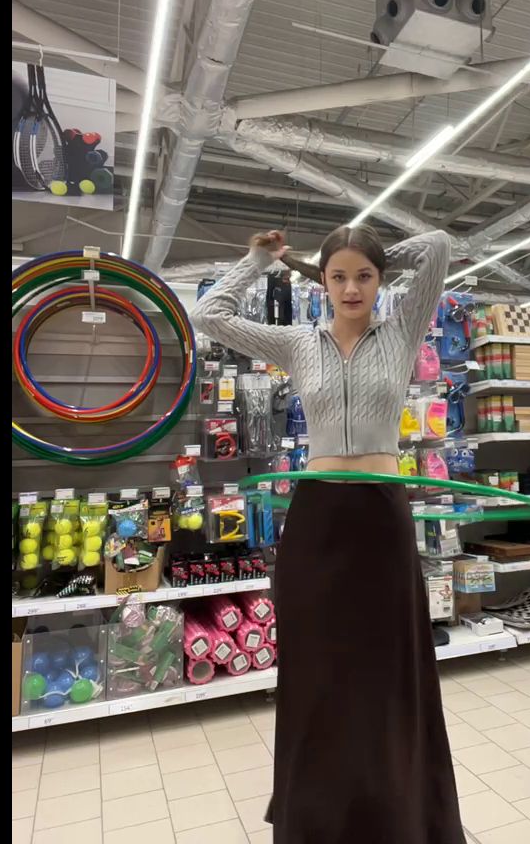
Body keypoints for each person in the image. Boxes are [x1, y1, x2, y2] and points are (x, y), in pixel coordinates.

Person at [190, 225, 466, 844]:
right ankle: (316, 815)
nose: (351, 288)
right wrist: (258, 260)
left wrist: (377, 253)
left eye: (363, 276)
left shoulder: (402, 332)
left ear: (380, 281)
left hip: (380, 517)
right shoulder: (298, 343)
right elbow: (209, 316)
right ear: (322, 281)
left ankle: (397, 812)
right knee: (318, 673)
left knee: (388, 670)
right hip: (317, 520)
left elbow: (440, 246)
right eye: (338, 276)